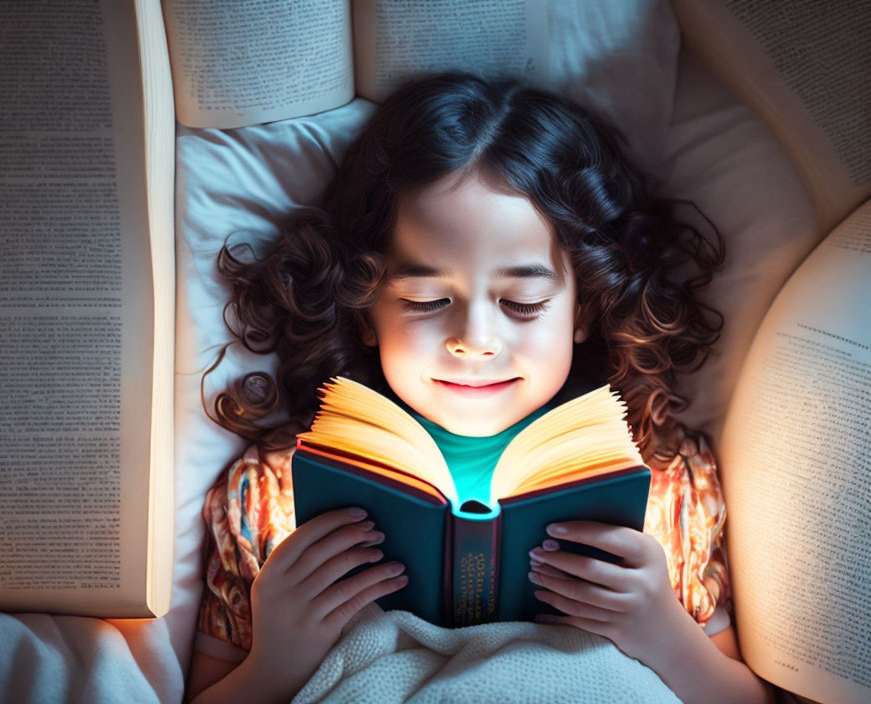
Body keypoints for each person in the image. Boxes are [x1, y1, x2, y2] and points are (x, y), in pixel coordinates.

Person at [186, 72, 775, 704]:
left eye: (522, 304)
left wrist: (663, 635)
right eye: (426, 299)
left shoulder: (663, 482)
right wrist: (278, 659)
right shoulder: (275, 493)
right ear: (363, 310)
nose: (475, 339)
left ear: (582, 310)